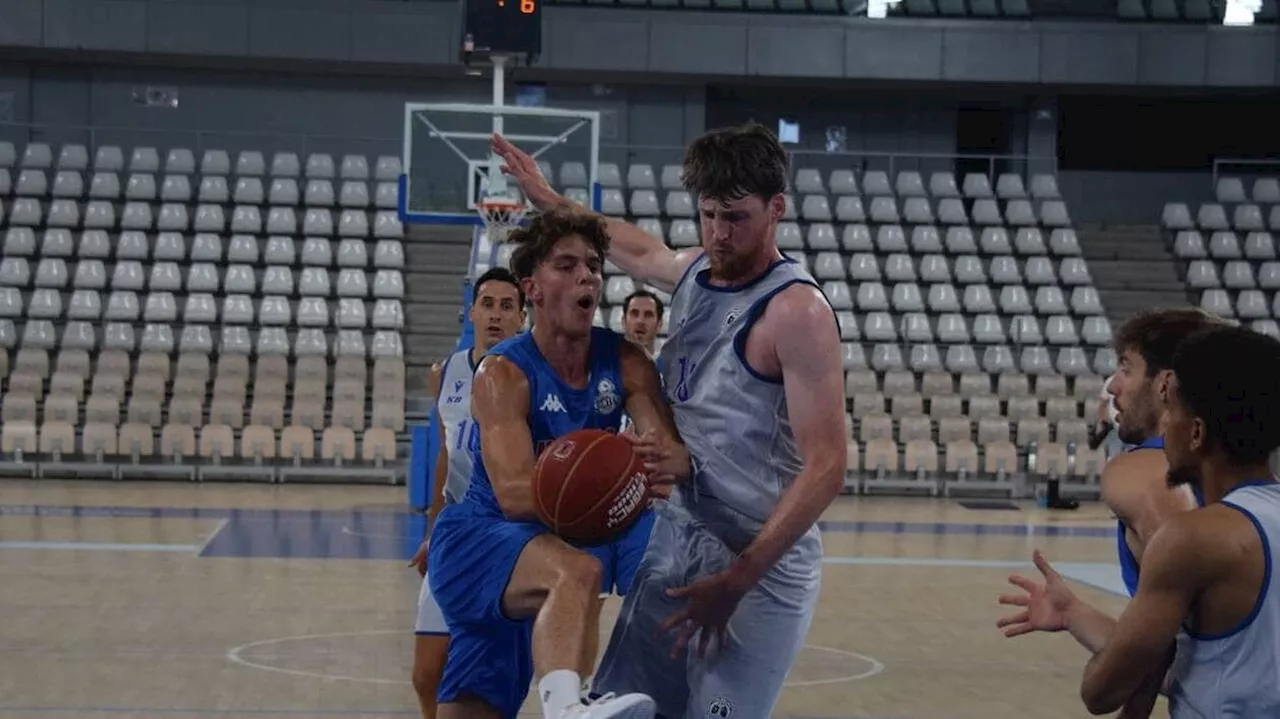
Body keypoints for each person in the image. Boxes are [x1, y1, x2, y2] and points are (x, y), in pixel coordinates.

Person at [493, 122, 848, 718]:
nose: (718, 232)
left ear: (776, 208)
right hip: (682, 532)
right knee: (627, 707)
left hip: (760, 563)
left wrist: (736, 582)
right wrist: (549, 198)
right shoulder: (691, 273)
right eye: (708, 214)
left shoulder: (797, 312)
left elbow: (829, 467)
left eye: (735, 217)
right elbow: (629, 246)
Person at [426, 209, 687, 719]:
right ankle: (568, 709)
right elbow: (517, 496)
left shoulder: (626, 362)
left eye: (592, 265)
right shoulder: (502, 373)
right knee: (579, 571)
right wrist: (612, 480)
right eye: (565, 266)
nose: (585, 274)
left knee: (471, 707)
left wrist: (656, 461)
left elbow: (668, 457)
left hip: (541, 550)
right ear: (534, 289)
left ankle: (576, 698)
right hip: (480, 536)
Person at [999, 324, 1280, 716]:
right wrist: (1074, 613)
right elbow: (1199, 661)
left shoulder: (1191, 536)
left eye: (1173, 417)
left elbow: (1103, 690)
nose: (1166, 432)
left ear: (1196, 432)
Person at [407, 268, 527, 719]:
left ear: (522, 317)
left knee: (489, 683)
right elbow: (444, 456)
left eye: (506, 306)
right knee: (426, 673)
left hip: (504, 537)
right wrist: (431, 533)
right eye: (488, 304)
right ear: (471, 311)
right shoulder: (448, 372)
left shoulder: (528, 373)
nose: (495, 315)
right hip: (455, 535)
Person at [620, 289, 663, 357]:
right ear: (624, 322)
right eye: (634, 313)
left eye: (648, 314)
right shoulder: (606, 364)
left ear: (659, 325)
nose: (640, 321)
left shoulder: (669, 366)